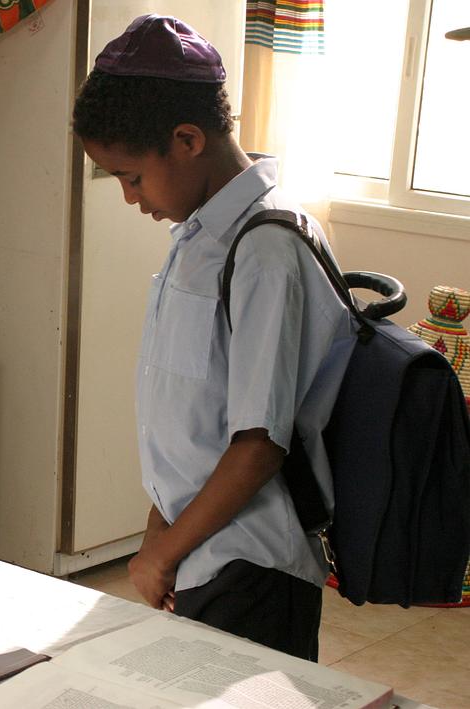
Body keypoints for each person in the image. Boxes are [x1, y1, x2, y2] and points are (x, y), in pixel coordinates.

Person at [72, 15, 355, 661]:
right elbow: (190, 417)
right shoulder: (200, 240)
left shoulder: (267, 250)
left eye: (131, 176)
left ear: (187, 139)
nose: (129, 197)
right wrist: (161, 533)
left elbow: (259, 444)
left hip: (252, 565)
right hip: (200, 553)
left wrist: (159, 554)